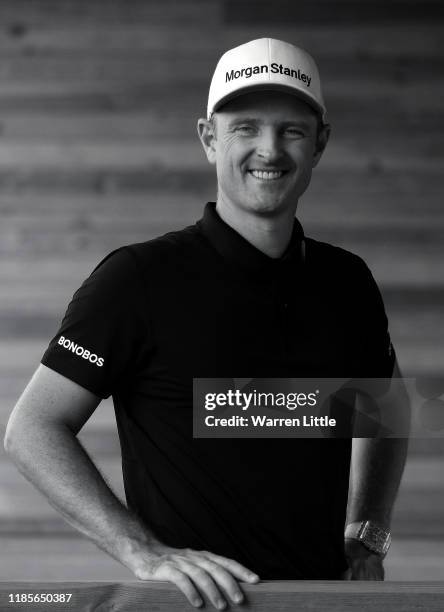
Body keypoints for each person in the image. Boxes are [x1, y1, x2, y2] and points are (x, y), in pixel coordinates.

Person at [4, 38, 408, 609]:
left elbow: (386, 411)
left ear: (320, 144)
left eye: (291, 129)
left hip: (320, 601)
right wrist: (143, 551)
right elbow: (32, 428)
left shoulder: (348, 282)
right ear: (208, 138)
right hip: (189, 606)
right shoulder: (137, 279)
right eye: (245, 127)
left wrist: (368, 535)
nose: (269, 149)